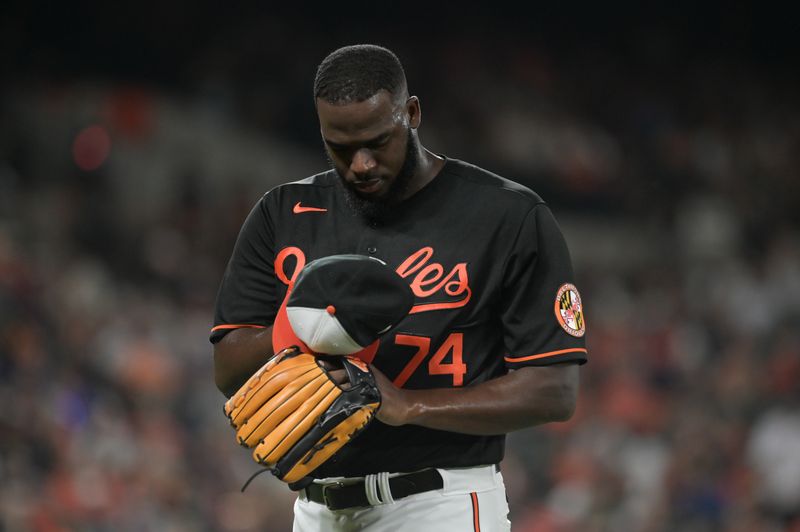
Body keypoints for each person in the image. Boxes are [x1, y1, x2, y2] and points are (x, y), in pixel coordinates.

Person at [210, 44, 587, 531]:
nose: (361, 164)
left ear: (411, 114)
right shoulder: (283, 213)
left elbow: (554, 391)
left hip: (439, 500)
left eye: (377, 141)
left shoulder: (506, 216)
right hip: (316, 510)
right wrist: (298, 325)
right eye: (340, 148)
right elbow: (228, 367)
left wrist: (410, 405)